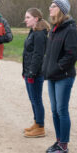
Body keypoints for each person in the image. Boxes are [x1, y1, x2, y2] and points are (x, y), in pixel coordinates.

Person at [42, 0, 77, 153]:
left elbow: (72, 55)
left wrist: (57, 68)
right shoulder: (54, 29)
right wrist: (46, 68)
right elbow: (49, 54)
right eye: (50, 5)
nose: (50, 8)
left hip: (64, 76)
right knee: (55, 110)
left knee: (62, 110)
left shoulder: (69, 29)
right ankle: (59, 141)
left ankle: (64, 145)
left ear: (62, 10)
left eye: (54, 6)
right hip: (52, 76)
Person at [22, 8, 50, 138]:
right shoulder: (33, 32)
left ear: (36, 18)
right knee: (33, 99)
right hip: (29, 72)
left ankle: (40, 127)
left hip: (35, 73)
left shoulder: (39, 34)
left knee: (36, 100)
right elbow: (28, 54)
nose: (25, 20)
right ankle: (36, 123)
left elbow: (38, 55)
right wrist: (25, 72)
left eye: (28, 17)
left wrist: (32, 73)